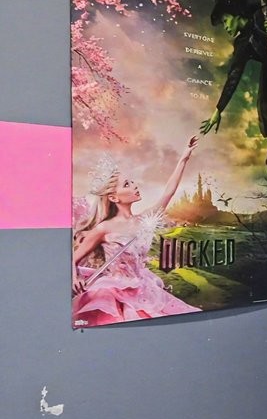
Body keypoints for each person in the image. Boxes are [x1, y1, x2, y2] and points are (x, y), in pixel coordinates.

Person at [72, 134, 202, 326]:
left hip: (145, 289)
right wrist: (74, 278)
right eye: (127, 184)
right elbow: (73, 259)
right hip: (115, 291)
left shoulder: (143, 220)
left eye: (132, 182)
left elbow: (169, 192)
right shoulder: (104, 228)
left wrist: (184, 157)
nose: (134, 186)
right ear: (114, 198)